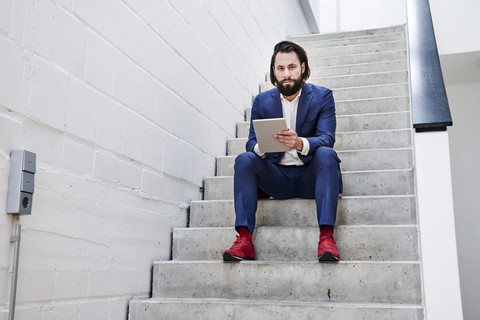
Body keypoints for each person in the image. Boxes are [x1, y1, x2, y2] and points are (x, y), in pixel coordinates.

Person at [222, 40, 343, 263]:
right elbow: (250, 143)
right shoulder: (261, 101)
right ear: (274, 73)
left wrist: (300, 144)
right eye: (280, 69)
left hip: (311, 177)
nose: (286, 74)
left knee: (327, 154)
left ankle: (326, 237)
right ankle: (245, 240)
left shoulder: (323, 96)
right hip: (276, 178)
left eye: (291, 67)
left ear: (303, 68)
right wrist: (265, 146)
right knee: (245, 159)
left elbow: (327, 138)